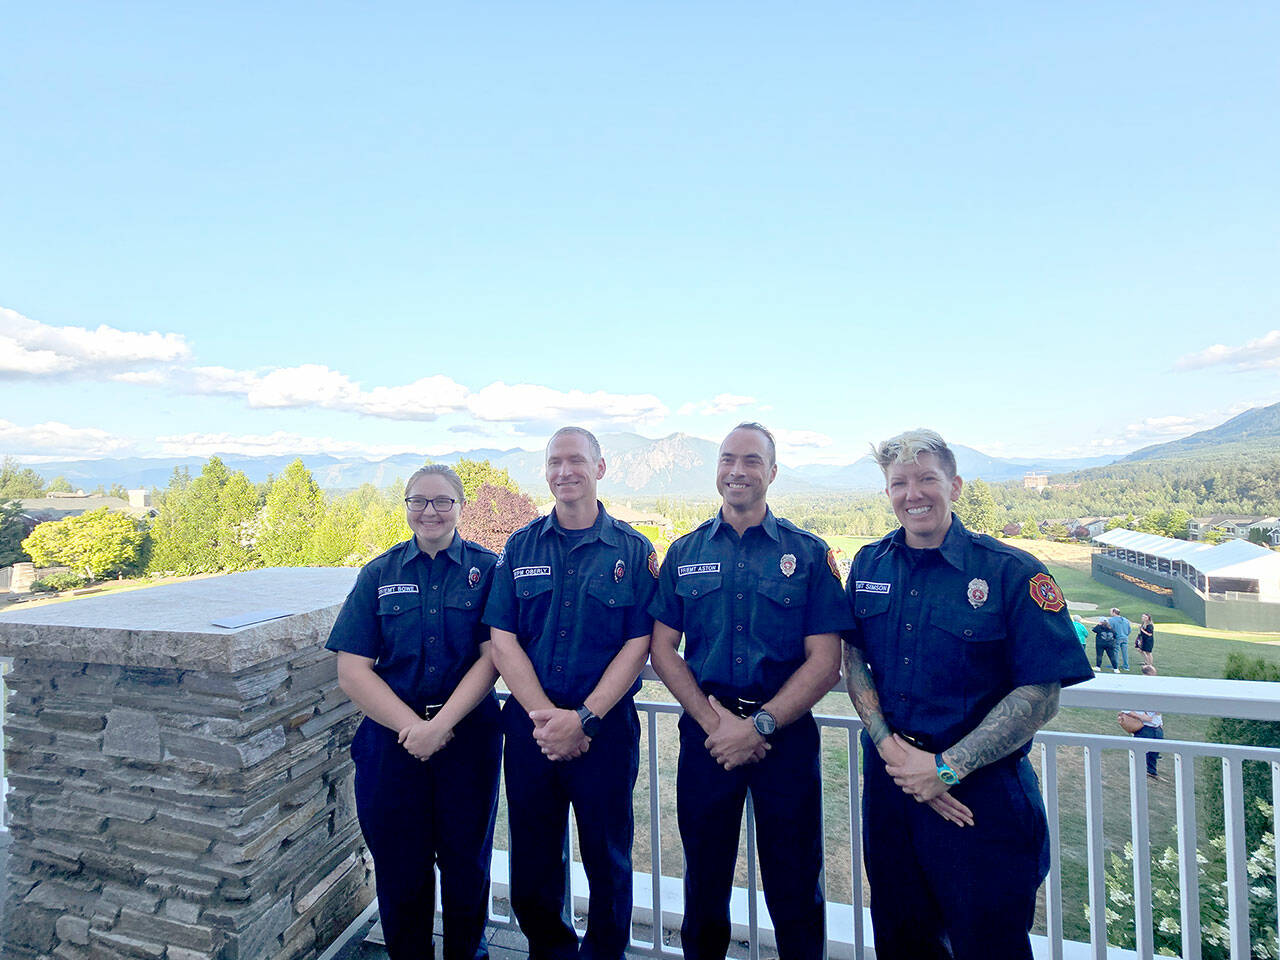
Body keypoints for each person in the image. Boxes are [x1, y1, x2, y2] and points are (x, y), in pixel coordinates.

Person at [842, 429, 1092, 960]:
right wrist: (890, 747)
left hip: (980, 798)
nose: (914, 494)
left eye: (927, 479)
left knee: (989, 943)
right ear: (887, 492)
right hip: (891, 788)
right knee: (901, 937)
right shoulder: (868, 566)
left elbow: (1042, 694)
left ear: (954, 485)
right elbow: (853, 659)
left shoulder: (1011, 572)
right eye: (899, 483)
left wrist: (946, 768)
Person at [649, 423, 850, 960]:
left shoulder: (807, 555)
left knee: (794, 882)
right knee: (705, 881)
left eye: (752, 461)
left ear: (773, 473)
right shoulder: (683, 552)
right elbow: (663, 648)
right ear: (716, 468)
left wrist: (759, 725)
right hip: (707, 739)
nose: (738, 471)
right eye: (728, 459)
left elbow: (826, 662)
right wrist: (716, 723)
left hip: (783, 741)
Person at [483, 427, 658, 960]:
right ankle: (550, 952)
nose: (565, 471)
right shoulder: (520, 545)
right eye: (555, 462)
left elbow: (639, 643)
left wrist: (582, 719)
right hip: (532, 729)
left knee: (608, 858)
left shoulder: (633, 549)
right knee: (533, 859)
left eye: (577, 461)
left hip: (603, 731)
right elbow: (503, 637)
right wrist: (545, 718)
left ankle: (606, 954)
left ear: (600, 469)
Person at [326, 465, 502, 960]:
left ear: (461, 507)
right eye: (418, 500)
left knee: (467, 863)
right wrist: (413, 729)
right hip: (390, 743)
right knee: (401, 868)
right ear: (405, 507)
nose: (430, 510)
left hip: (467, 739)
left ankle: (468, 955)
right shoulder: (378, 574)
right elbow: (353, 670)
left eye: (443, 500)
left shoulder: (489, 571)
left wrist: (440, 726)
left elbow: (494, 656)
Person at [1120, 666, 1164, 779]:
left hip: (1156, 726)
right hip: (1144, 726)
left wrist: (1160, 723)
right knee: (1141, 750)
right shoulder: (1137, 688)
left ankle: (1151, 771)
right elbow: (1125, 709)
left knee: (1155, 751)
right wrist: (1141, 717)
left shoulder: (1156, 688)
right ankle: (1138, 771)